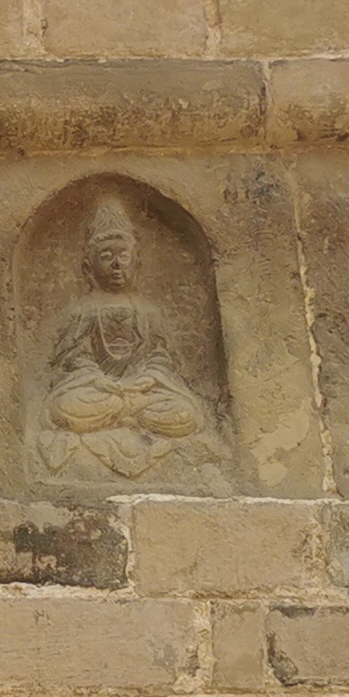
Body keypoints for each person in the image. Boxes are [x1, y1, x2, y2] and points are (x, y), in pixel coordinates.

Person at [31, 193, 227, 486]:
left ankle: (125, 414)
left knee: (185, 413)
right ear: (87, 267)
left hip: (144, 393)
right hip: (98, 391)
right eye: (106, 257)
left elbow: (161, 357)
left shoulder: (148, 313)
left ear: (137, 262)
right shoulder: (82, 312)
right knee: (65, 407)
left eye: (123, 256)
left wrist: (148, 379)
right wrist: (96, 380)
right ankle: (125, 414)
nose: (116, 265)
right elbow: (73, 358)